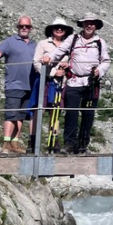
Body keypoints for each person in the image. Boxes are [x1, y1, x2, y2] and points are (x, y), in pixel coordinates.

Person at [43, 13, 110, 154]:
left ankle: (82, 145)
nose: (89, 25)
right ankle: (69, 144)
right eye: (87, 23)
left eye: (92, 23)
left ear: (96, 26)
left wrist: (100, 70)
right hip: (74, 81)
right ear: (83, 25)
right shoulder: (73, 39)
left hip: (92, 82)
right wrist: (49, 57)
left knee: (88, 115)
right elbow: (60, 51)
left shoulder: (100, 42)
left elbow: (106, 61)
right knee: (71, 113)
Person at [0, 15, 37, 155]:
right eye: (21, 26)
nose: (24, 28)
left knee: (21, 116)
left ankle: (14, 142)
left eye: (27, 26)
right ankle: (6, 143)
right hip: (14, 84)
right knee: (11, 114)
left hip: (30, 86)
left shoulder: (34, 45)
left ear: (31, 28)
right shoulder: (10, 41)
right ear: (18, 27)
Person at [32, 17, 73, 153]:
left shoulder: (69, 47)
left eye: (62, 28)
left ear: (66, 31)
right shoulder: (43, 44)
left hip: (61, 84)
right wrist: (53, 72)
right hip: (46, 81)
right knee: (40, 110)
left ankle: (53, 139)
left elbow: (73, 62)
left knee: (56, 111)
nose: (59, 30)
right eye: (57, 27)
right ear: (52, 29)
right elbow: (36, 62)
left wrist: (67, 66)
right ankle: (33, 140)